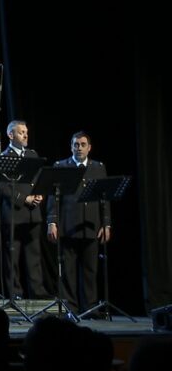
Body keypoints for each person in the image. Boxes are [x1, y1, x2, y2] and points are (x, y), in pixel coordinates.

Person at [47, 131, 111, 314]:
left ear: (89, 147)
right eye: (76, 144)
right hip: (68, 226)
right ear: (71, 147)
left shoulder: (98, 167)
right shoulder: (61, 166)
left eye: (83, 144)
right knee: (69, 272)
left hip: (91, 226)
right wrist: (52, 222)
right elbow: (53, 197)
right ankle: (71, 309)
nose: (79, 148)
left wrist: (106, 224)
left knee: (90, 271)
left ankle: (90, 308)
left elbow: (104, 199)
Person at [0, 119, 46, 300]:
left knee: (34, 256)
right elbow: (1, 187)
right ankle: (14, 293)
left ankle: (37, 291)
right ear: (11, 135)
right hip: (14, 213)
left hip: (33, 212)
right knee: (13, 257)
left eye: (26, 132)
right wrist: (23, 198)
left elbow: (40, 178)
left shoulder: (32, 154)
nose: (25, 135)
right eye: (21, 132)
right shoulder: (4, 157)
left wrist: (39, 195)